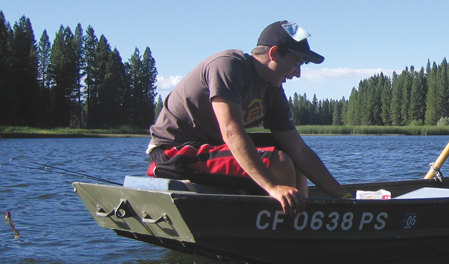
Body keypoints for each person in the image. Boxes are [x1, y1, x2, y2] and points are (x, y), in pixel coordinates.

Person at [146, 21, 351, 213]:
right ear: (274, 53)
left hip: (213, 148)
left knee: (289, 152)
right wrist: (273, 187)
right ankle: (286, 226)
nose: (297, 73)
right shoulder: (227, 66)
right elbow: (231, 132)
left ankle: (301, 217)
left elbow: (299, 149)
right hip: (173, 153)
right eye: (295, 63)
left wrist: (345, 197)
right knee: (279, 162)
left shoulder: (272, 89)